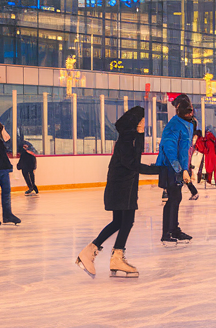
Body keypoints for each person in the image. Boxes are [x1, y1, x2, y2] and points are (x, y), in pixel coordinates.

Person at [76, 106, 159, 277]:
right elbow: (133, 164)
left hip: (122, 186)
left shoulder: (128, 138)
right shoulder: (127, 140)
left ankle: (93, 253)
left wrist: (141, 133)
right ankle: (113, 256)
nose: (144, 121)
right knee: (126, 221)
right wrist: (161, 170)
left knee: (120, 222)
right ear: (134, 122)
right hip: (122, 187)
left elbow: (136, 156)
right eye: (141, 119)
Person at [157, 94, 195, 243]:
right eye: (187, 112)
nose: (189, 114)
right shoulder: (175, 125)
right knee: (173, 198)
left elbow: (184, 150)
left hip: (179, 167)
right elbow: (169, 148)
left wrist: (185, 168)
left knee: (176, 198)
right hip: (170, 167)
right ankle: (167, 232)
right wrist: (179, 169)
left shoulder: (187, 124)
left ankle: (174, 229)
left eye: (190, 111)